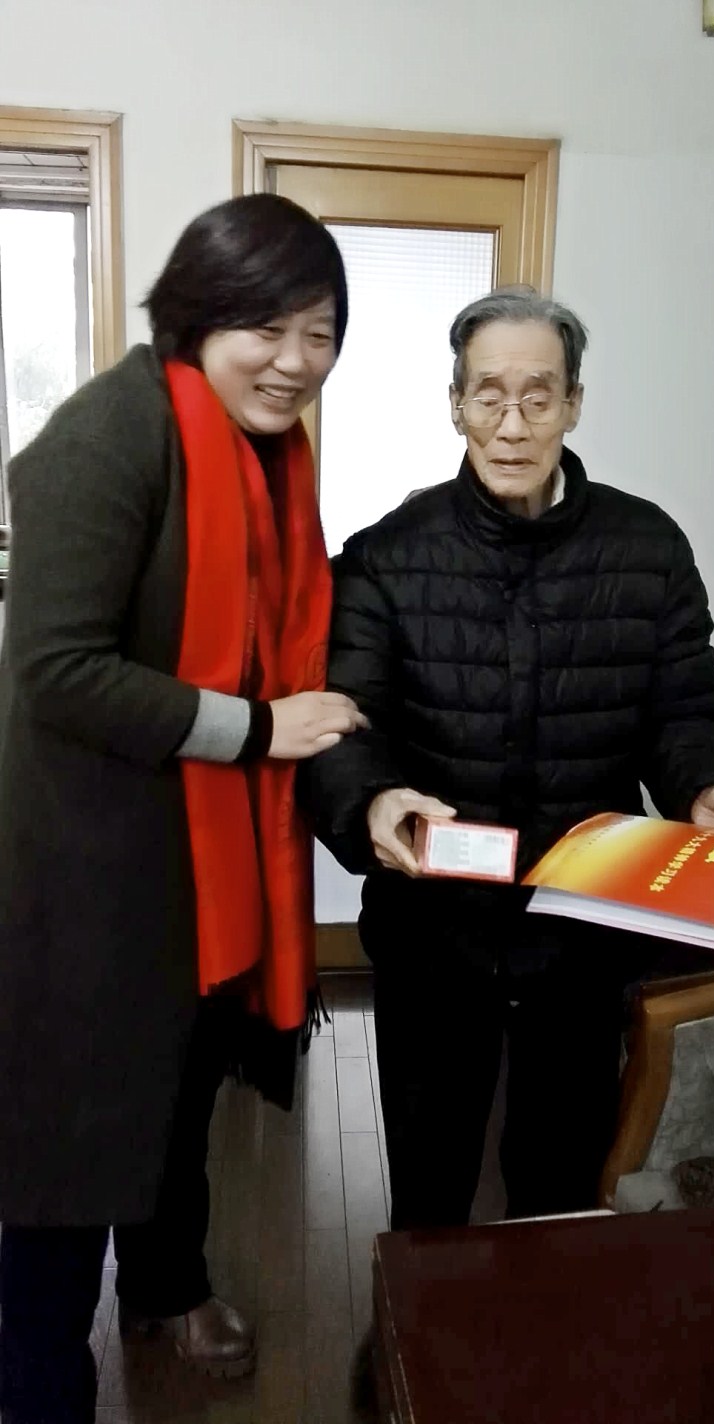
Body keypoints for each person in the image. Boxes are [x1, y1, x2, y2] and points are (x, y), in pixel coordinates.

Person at [0, 193, 362, 1424]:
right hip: (93, 862)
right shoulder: (109, 436)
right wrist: (259, 728)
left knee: (179, 1088)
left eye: (320, 333)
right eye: (266, 325)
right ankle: (40, 1382)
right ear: (197, 313)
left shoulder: (266, 453)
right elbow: (58, 669)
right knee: (66, 1137)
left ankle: (166, 1285)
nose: (294, 360)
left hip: (206, 859)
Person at [303, 284, 714, 1235]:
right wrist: (374, 800)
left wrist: (707, 784)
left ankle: (539, 1318)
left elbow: (682, 714)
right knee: (430, 1180)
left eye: (538, 397)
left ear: (574, 404)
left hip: (581, 928)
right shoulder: (387, 557)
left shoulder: (648, 549)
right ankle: (421, 1316)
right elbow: (346, 725)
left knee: (558, 1177)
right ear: (455, 404)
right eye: (488, 396)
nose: (511, 426)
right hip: (435, 928)